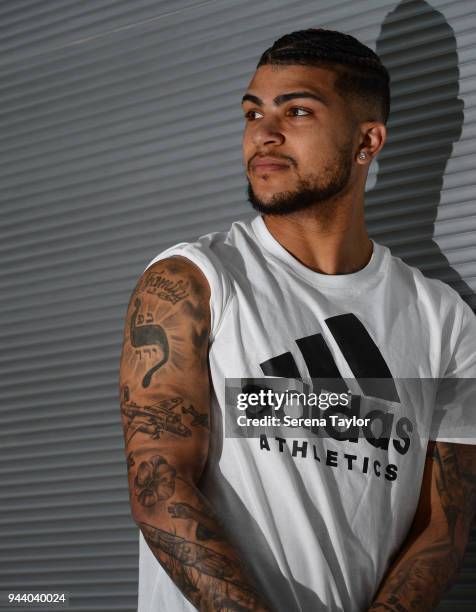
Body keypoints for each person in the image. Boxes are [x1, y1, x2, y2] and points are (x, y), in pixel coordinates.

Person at [119, 28, 476, 612]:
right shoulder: (194, 280)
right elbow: (160, 488)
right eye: (252, 112)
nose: (263, 133)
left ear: (367, 141)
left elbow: (444, 528)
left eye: (298, 111)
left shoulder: (449, 322)